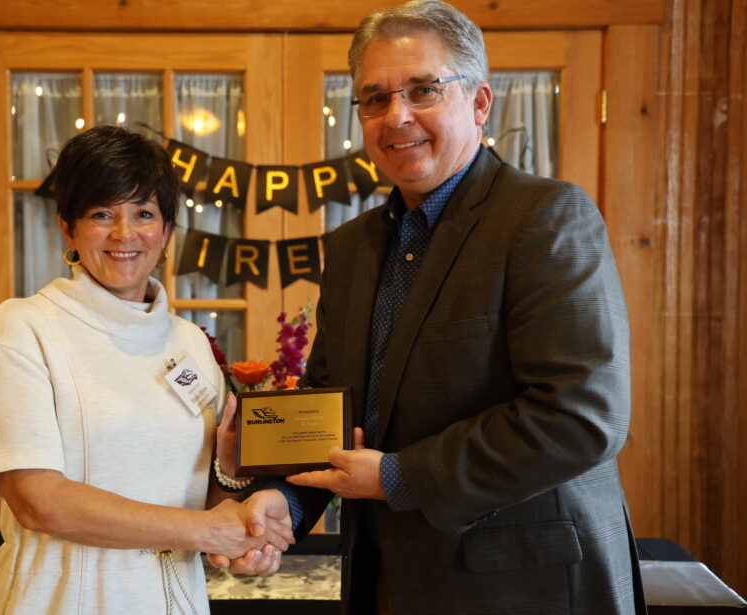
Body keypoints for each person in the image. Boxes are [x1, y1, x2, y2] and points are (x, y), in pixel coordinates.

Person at [210, 1, 647, 613]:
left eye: (423, 90)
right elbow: (327, 415)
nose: (398, 116)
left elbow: (582, 416)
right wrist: (280, 501)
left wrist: (397, 478)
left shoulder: (544, 218)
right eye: (375, 98)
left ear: (479, 102)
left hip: (528, 588)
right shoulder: (353, 245)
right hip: (386, 584)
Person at [0, 125, 292, 615]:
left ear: (167, 231)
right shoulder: (25, 328)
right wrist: (207, 531)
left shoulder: (191, 344)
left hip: (175, 601)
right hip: (58, 599)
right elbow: (38, 500)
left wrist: (238, 496)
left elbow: (209, 504)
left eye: (144, 214)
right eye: (101, 214)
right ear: (68, 227)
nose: (124, 234)